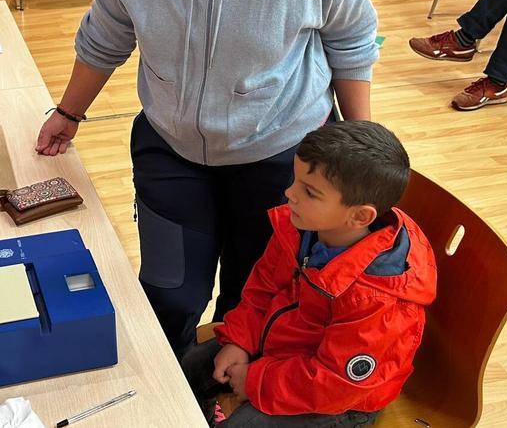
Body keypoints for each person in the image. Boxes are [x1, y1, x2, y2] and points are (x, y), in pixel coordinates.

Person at [33, 0, 379, 357]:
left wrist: (361, 152)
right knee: (168, 292)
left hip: (279, 160)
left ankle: (222, 401)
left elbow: (351, 41)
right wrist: (68, 112)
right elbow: (108, 32)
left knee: (253, 301)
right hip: (170, 150)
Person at [180, 121, 436, 427]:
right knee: (190, 369)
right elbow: (262, 287)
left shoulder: (375, 297)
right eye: (295, 180)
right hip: (284, 352)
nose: (290, 193)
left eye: (309, 191)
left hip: (339, 400)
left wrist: (255, 380)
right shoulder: (301, 225)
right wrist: (240, 340)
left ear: (359, 216)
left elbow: (336, 385)